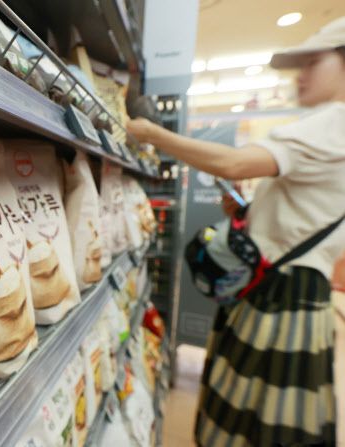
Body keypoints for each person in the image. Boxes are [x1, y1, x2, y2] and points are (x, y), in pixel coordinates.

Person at [128, 17, 345, 447]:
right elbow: (306, 212)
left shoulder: (336, 120)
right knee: (265, 423)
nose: (300, 76)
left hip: (281, 300)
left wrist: (153, 133)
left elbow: (234, 163)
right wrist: (248, 211)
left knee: (249, 421)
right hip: (291, 294)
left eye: (313, 63)